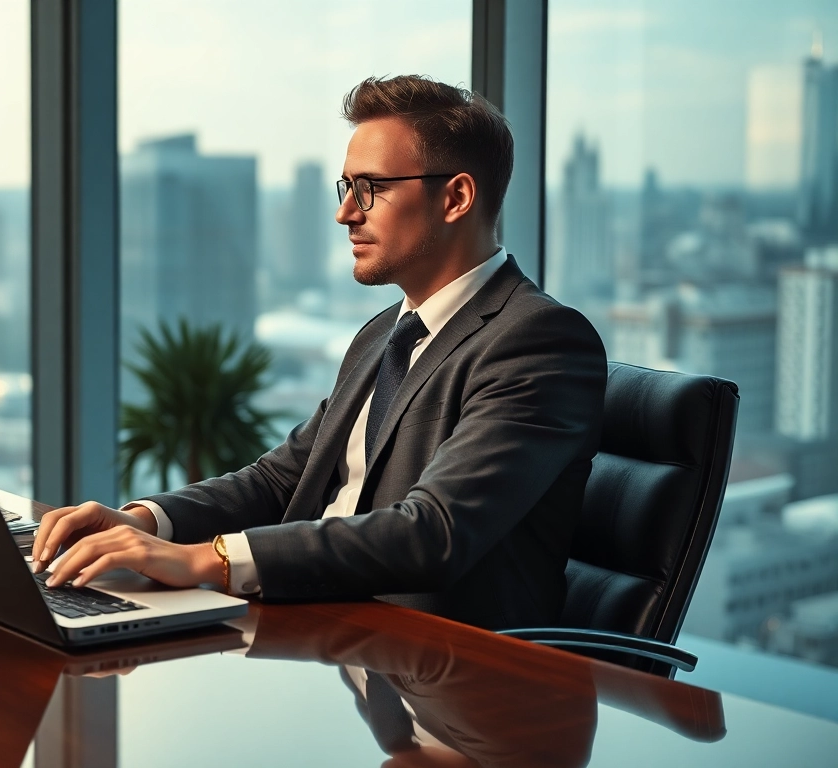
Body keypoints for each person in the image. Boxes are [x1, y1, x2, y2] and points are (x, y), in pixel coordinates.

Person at [32, 74, 607, 629]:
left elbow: (432, 532)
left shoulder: (538, 341)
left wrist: (205, 560)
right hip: (319, 629)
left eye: (370, 189)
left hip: (432, 675)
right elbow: (278, 481)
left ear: (456, 197)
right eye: (346, 187)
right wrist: (146, 522)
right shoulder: (383, 334)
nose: (345, 213)